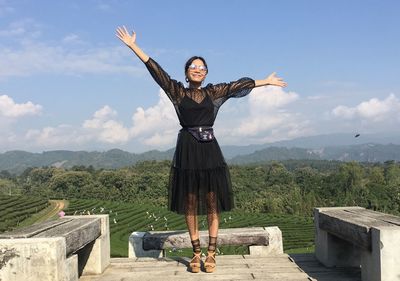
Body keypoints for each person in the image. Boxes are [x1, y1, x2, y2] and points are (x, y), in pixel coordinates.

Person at [116, 26, 287, 273]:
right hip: (187, 149)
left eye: (202, 67)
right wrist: (134, 46)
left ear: (206, 74)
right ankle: (196, 253)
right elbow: (156, 71)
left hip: (209, 150)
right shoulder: (177, 92)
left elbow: (238, 85)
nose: (198, 69)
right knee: (190, 202)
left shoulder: (213, 92)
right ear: (187, 73)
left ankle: (211, 253)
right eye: (193, 67)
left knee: (212, 202)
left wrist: (266, 82)